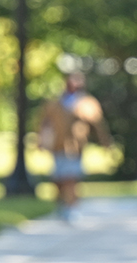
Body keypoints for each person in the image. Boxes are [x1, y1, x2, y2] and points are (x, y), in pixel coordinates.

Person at [37, 71, 112, 222]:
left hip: (75, 148)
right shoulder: (55, 103)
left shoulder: (87, 103)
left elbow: (98, 125)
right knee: (58, 179)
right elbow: (44, 122)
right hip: (58, 146)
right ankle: (62, 204)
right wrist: (40, 140)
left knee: (71, 179)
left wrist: (105, 142)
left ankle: (72, 208)